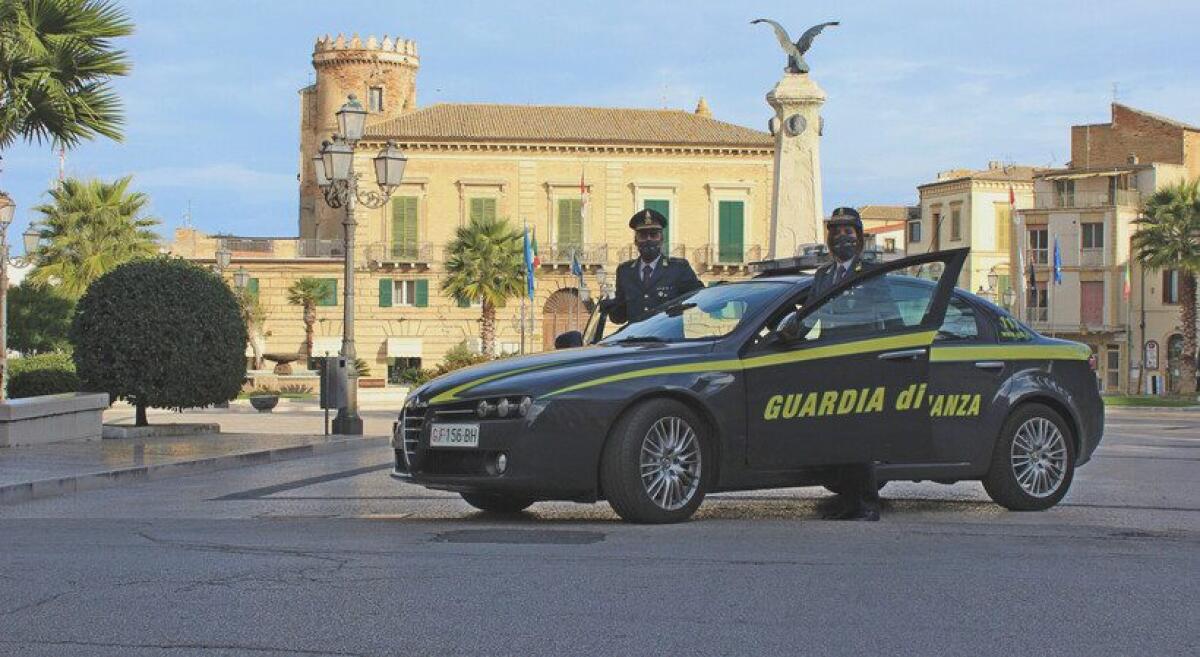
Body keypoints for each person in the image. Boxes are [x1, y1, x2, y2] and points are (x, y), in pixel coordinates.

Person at [811, 206, 882, 521]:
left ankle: (867, 503)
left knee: (860, 435)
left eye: (848, 231)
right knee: (836, 434)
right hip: (830, 363)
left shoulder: (871, 272)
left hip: (861, 363)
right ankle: (846, 500)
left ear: (859, 236)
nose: (842, 237)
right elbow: (813, 313)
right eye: (836, 232)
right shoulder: (824, 275)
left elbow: (888, 316)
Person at [601, 208, 703, 325]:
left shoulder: (678, 269)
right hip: (634, 340)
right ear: (635, 240)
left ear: (661, 239)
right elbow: (620, 318)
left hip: (668, 340)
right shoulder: (625, 271)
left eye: (653, 235)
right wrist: (611, 307)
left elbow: (699, 301)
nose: (648, 239)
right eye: (643, 235)